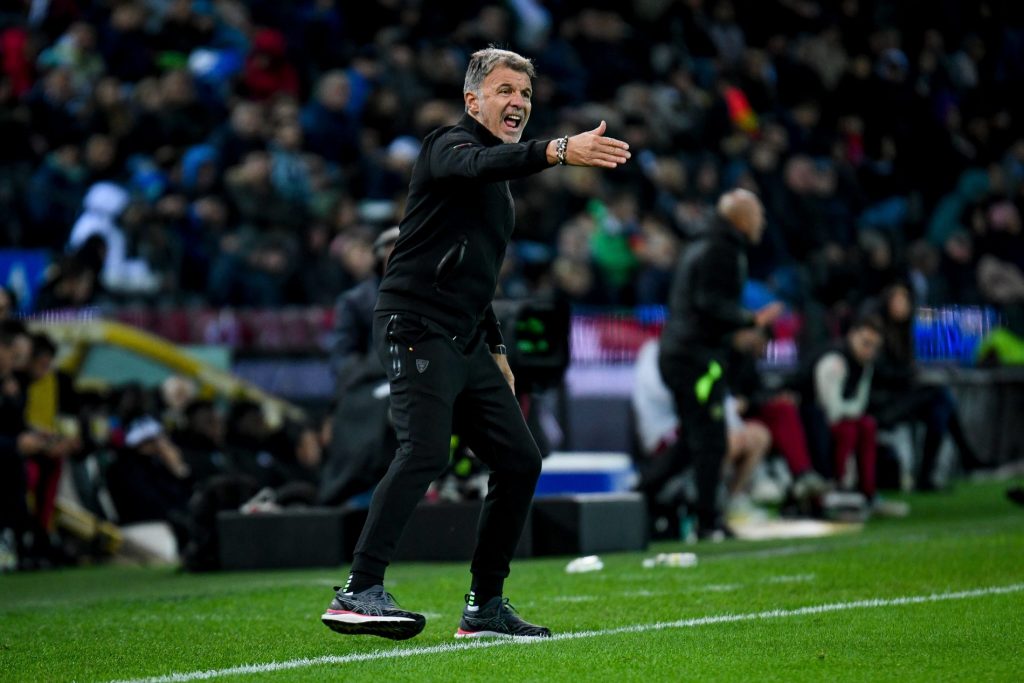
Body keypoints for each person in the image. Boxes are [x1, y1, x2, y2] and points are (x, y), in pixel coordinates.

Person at [320, 47, 630, 641]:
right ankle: (359, 590)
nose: (518, 102)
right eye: (505, 90)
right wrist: (557, 150)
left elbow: (477, 276)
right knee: (424, 451)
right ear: (473, 100)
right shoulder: (447, 146)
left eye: (526, 94)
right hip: (415, 323)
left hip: (464, 335)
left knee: (520, 460)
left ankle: (484, 605)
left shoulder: (498, 180)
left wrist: (497, 349)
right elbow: (478, 164)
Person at [657, 189, 781, 541]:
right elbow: (708, 302)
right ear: (740, 217)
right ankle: (707, 521)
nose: (762, 222)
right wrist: (750, 320)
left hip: (685, 354)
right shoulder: (721, 248)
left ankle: (649, 496)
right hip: (695, 358)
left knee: (694, 440)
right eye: (757, 213)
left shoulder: (706, 241)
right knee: (710, 440)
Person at [867, 283, 983, 490]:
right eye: (898, 300)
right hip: (884, 402)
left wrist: (913, 374)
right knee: (940, 396)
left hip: (902, 398)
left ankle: (931, 474)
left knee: (940, 406)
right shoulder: (878, 331)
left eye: (905, 300)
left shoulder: (905, 332)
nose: (902, 305)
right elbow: (881, 373)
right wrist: (911, 375)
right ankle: (958, 460)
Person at [811, 313, 908, 517]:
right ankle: (838, 489)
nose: (869, 351)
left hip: (844, 417)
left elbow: (860, 404)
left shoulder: (865, 365)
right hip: (815, 418)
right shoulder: (834, 361)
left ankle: (868, 493)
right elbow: (832, 410)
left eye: (874, 346)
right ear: (852, 336)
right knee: (848, 430)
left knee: (867, 425)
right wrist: (853, 412)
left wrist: (853, 412)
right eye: (866, 343)